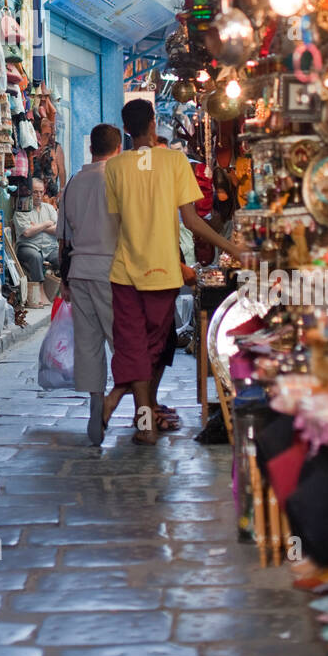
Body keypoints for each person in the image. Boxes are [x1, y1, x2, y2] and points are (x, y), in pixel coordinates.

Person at [102, 98, 245, 445]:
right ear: (153, 125)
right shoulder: (175, 161)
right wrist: (233, 249)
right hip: (163, 272)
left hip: (124, 271)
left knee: (134, 348)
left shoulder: (116, 168)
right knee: (150, 351)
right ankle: (137, 419)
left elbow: (117, 223)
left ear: (126, 130)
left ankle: (138, 420)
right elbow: (192, 221)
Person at [56, 123, 122, 445]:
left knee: (88, 342)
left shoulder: (72, 184)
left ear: (91, 148)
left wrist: (65, 279)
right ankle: (132, 405)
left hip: (79, 271)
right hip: (112, 272)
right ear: (118, 148)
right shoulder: (118, 179)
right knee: (120, 342)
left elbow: (63, 241)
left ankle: (96, 402)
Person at [14, 178, 60, 306]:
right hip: (28, 246)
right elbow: (27, 233)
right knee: (35, 256)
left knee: (64, 258)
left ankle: (61, 292)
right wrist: (46, 224)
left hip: (50, 248)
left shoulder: (49, 208)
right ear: (29, 192)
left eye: (40, 192)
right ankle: (39, 292)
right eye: (35, 192)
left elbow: (58, 229)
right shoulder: (22, 208)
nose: (38, 195)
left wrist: (37, 227)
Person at [33, 119, 66, 203]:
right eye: (47, 134)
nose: (50, 138)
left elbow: (62, 171)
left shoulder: (56, 148)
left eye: (52, 135)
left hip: (51, 194)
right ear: (39, 134)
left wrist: (62, 190)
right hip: (34, 191)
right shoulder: (33, 146)